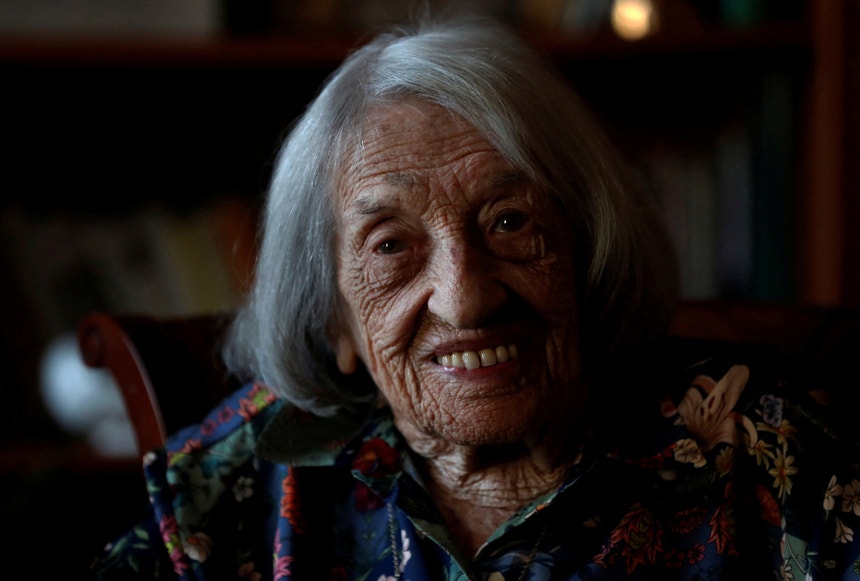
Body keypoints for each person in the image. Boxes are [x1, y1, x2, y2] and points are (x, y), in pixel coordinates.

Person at [89, 15, 860, 581]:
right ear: (335, 317)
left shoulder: (774, 457)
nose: (465, 299)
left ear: (587, 248)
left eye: (509, 222)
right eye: (390, 245)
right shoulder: (227, 488)